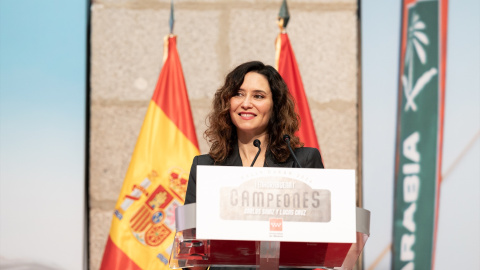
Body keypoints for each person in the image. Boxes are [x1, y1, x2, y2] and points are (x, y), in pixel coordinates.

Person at [183, 61, 323, 269]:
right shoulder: (205, 167)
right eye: (238, 94)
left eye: (258, 96)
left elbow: (320, 241)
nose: (246, 103)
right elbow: (192, 254)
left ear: (275, 105)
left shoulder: (302, 162)